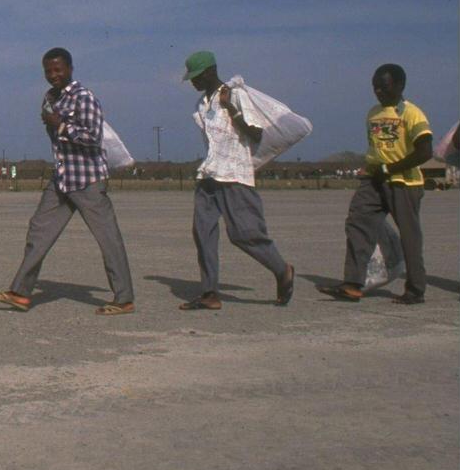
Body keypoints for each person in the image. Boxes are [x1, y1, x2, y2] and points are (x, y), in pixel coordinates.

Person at [0, 48, 136, 316]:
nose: (53, 75)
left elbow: (93, 136)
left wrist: (61, 126)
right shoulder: (49, 97)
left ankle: (124, 298)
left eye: (58, 70)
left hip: (88, 179)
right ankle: (20, 292)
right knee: (39, 229)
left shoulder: (84, 97)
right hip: (63, 178)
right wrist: (53, 125)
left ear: (70, 68)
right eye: (48, 71)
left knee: (108, 239)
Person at [178, 51, 296, 311]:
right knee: (203, 232)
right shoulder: (201, 103)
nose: (193, 83)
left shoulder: (236, 95)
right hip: (210, 174)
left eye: (196, 77)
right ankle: (210, 293)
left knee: (244, 234)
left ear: (210, 72)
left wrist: (230, 108)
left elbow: (256, 135)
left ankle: (282, 270)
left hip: (234, 174)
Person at [317, 64, 433, 306]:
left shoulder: (412, 114)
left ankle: (415, 289)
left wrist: (390, 169)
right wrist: (370, 168)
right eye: (375, 87)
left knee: (409, 236)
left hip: (404, 183)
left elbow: (425, 152)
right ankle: (353, 284)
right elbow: (376, 148)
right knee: (358, 221)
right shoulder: (373, 114)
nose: (378, 91)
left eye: (384, 87)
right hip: (374, 180)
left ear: (400, 86)